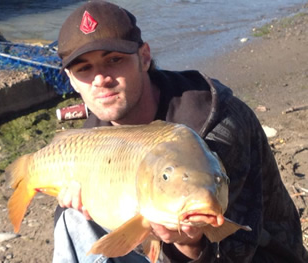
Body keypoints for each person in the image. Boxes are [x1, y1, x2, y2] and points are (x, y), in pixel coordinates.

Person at [52, 1, 308, 262]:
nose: (100, 79)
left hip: (262, 255)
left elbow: (238, 251)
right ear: (72, 80)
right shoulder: (91, 138)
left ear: (144, 57)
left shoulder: (217, 127)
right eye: (84, 68)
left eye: (114, 60)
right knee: (71, 220)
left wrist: (189, 243)